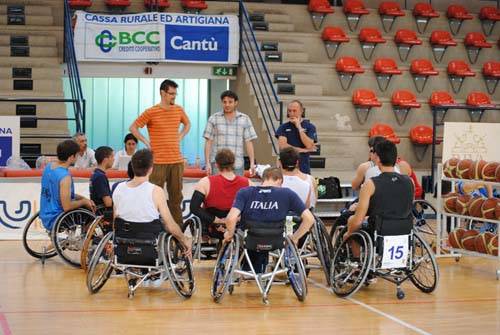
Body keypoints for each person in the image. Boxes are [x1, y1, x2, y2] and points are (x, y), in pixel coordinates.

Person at [223, 167, 315, 273]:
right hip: (276, 240)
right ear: (279, 180)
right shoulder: (287, 193)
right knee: (288, 220)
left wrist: (229, 234)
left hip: (250, 240)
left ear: (263, 179)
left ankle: (249, 269)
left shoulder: (245, 192)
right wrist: (295, 238)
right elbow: (309, 219)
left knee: (243, 232)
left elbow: (231, 218)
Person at [129, 79, 191, 227]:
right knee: (152, 197)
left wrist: (180, 136)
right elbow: (133, 127)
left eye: (175, 94)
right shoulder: (152, 111)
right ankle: (152, 228)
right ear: (162, 93)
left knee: (176, 198)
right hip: (157, 162)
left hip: (176, 161)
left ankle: (178, 231)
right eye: (171, 94)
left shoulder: (179, 109)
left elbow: (188, 124)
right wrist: (145, 141)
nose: (174, 97)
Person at [112, 149, 191, 254]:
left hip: (124, 245)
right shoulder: (156, 191)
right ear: (151, 169)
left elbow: (115, 222)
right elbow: (170, 225)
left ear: (132, 166)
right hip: (149, 247)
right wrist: (184, 239)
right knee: (164, 226)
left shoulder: (118, 188)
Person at [344, 140, 414, 241]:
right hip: (404, 229)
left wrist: (348, 233)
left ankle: (355, 256)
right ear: (395, 158)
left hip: (379, 231)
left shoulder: (370, 184)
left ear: (377, 159)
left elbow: (358, 221)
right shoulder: (409, 181)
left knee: (352, 222)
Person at [190, 149, 250, 240]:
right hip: (235, 224)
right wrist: (235, 218)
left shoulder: (205, 182)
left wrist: (216, 220)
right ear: (233, 164)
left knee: (200, 213)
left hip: (212, 223)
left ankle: (205, 235)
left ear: (217, 165)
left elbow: (194, 207)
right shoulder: (247, 183)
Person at [40, 140, 95, 231]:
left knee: (84, 204)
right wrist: (84, 202)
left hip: (45, 214)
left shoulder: (48, 167)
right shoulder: (64, 177)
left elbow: (60, 193)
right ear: (71, 157)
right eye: (76, 155)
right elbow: (67, 206)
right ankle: (85, 241)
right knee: (90, 211)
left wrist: (83, 198)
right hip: (57, 218)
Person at [203, 90, 258, 176]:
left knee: (238, 189)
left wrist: (252, 163)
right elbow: (208, 142)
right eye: (224, 102)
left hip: (237, 164)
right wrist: (207, 163)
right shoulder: (213, 118)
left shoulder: (244, 119)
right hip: (218, 164)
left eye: (230, 102)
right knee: (218, 189)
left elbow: (249, 142)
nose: (227, 105)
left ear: (236, 103)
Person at [275, 100, 318, 174]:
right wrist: (303, 150)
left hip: (303, 166)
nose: (291, 113)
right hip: (286, 167)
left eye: (294, 111)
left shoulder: (310, 127)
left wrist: (299, 127)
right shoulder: (283, 127)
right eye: (289, 111)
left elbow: (309, 145)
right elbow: (283, 146)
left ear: (301, 111)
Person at [89, 146, 114, 211]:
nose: (114, 159)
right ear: (105, 159)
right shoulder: (100, 177)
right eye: (112, 157)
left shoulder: (95, 173)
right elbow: (108, 203)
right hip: (102, 212)